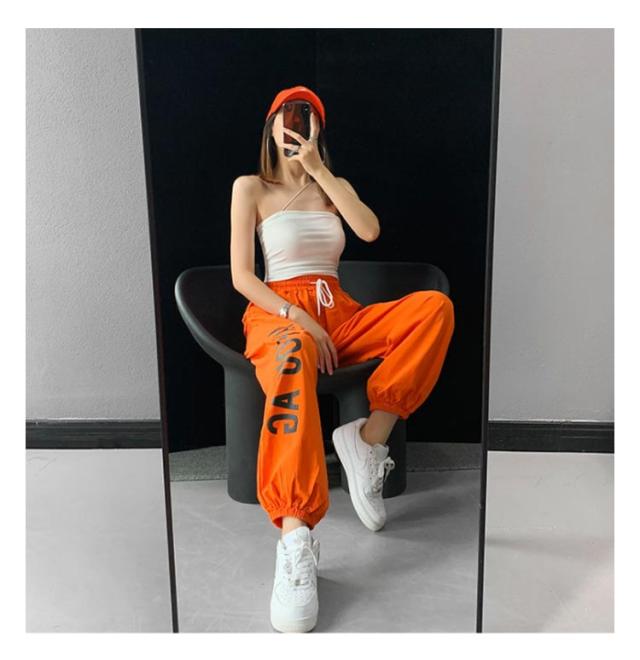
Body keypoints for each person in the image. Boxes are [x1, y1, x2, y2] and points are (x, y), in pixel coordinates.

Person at [229, 85, 455, 633]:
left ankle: (368, 440)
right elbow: (241, 276)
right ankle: (295, 537)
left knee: (434, 309)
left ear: (317, 130)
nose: (294, 126)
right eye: (286, 117)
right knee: (293, 354)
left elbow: (369, 230)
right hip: (280, 314)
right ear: (271, 127)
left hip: (339, 312)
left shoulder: (334, 186)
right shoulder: (250, 187)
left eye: (305, 118)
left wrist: (318, 170)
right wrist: (295, 316)